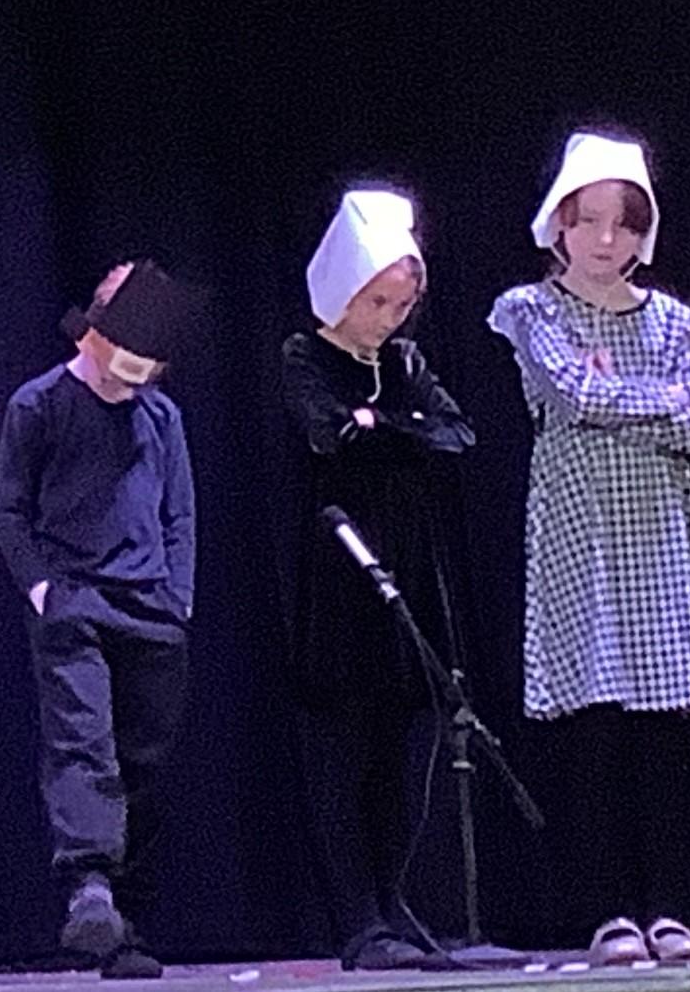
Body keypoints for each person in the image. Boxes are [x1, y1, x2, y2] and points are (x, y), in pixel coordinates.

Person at [485, 132, 690, 964]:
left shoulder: (673, 321)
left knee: (664, 734)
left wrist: (620, 396)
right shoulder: (534, 310)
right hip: (580, 537)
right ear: (559, 222)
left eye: (623, 223)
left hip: (658, 537)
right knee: (593, 730)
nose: (604, 239)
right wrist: (658, 400)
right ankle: (606, 913)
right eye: (587, 220)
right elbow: (572, 395)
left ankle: (671, 909)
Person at [281, 188, 474, 972]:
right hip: (341, 574)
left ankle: (395, 905)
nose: (388, 319)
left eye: (401, 304)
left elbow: (457, 437)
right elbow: (329, 436)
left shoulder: (405, 364)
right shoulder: (305, 355)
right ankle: (357, 919)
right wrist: (400, 431)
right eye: (375, 302)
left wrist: (383, 425)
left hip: (408, 574)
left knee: (403, 748)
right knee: (345, 750)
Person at [0, 260, 198, 980]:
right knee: (84, 745)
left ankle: (125, 921)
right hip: (75, 602)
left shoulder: (160, 417)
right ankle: (89, 888)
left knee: (143, 759)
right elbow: (10, 510)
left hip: (151, 610)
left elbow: (178, 512)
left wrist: (177, 596)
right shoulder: (40, 404)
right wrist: (43, 589)